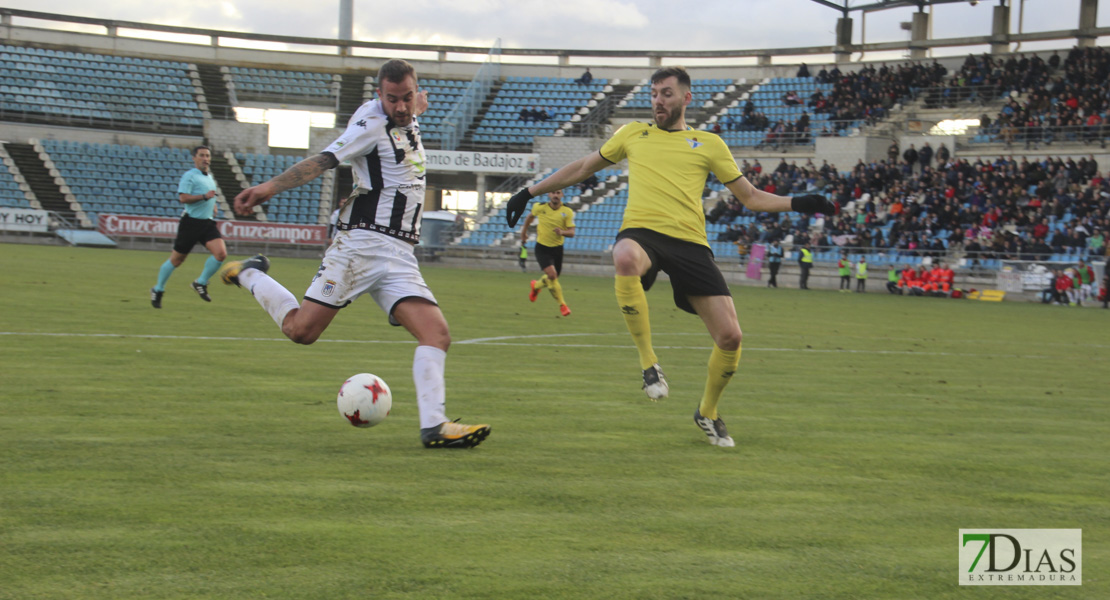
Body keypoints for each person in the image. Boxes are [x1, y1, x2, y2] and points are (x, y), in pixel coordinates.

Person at [504, 66, 837, 448]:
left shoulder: (709, 143)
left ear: (685, 98)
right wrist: (528, 192)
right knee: (624, 255)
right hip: (643, 232)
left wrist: (800, 202)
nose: (658, 101)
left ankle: (707, 413)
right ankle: (649, 364)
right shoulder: (632, 134)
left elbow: (750, 197)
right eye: (654, 94)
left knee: (730, 337)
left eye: (666, 93)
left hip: (691, 244)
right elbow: (582, 167)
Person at [218, 59, 489, 449]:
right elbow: (324, 161)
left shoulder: (410, 113)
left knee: (437, 333)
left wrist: (418, 107)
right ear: (378, 95)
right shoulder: (370, 126)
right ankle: (249, 273)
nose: (401, 107)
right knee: (301, 331)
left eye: (408, 98)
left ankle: (435, 427)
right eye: (392, 99)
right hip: (360, 245)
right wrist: (268, 189)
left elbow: (413, 112)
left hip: (399, 252)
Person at [149, 145, 226, 309]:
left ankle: (200, 283)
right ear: (194, 158)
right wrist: (205, 197)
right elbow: (183, 198)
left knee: (220, 254)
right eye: (202, 155)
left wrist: (212, 204)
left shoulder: (209, 177)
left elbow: (209, 195)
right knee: (176, 260)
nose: (205, 158)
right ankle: (158, 289)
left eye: (207, 155)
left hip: (207, 223)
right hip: (190, 223)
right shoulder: (189, 176)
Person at [519, 189, 575, 316]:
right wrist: (524, 232)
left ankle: (536, 286)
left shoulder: (567, 212)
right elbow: (530, 217)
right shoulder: (540, 207)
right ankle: (563, 305)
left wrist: (562, 232)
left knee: (552, 278)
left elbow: (572, 232)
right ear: (549, 195)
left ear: (562, 195)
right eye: (553, 193)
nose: (555, 195)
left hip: (557, 249)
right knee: (552, 275)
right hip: (542, 248)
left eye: (558, 193)